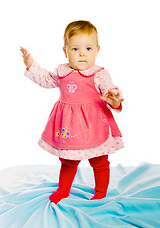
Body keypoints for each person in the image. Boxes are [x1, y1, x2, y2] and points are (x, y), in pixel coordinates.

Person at [20, 20, 124, 204]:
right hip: (69, 127)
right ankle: (63, 190)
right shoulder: (62, 72)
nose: (82, 53)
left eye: (88, 49)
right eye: (75, 49)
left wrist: (114, 99)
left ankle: (100, 192)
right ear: (65, 51)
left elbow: (110, 90)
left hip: (94, 126)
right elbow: (45, 79)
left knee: (99, 161)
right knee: (68, 161)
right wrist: (31, 63)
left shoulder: (99, 73)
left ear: (97, 50)